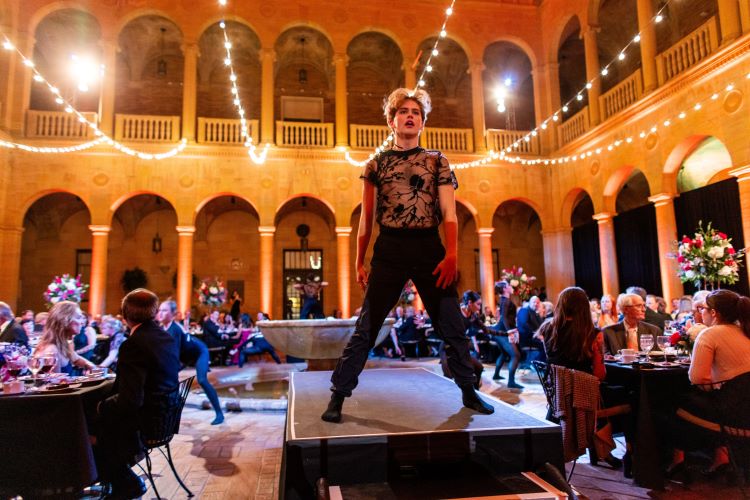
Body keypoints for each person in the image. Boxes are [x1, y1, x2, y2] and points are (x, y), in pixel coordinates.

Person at [321, 88, 493, 423]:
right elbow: (366, 220)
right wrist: (359, 260)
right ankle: (338, 395)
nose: (410, 115)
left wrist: (453, 255)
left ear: (423, 122)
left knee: (451, 323)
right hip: (390, 249)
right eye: (403, 111)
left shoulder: (436, 160)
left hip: (430, 248)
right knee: (366, 327)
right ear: (391, 120)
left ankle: (469, 391)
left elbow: (449, 213)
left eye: (416, 111)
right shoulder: (376, 164)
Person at [93, 289, 180, 499]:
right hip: (165, 416)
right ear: (155, 312)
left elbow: (130, 400)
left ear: (125, 316)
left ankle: (123, 482)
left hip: (146, 422)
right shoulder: (165, 337)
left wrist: (99, 407)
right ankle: (115, 480)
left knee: (86, 423)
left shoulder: (133, 344)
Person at [540, 287, 630, 471]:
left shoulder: (548, 329)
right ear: (584, 307)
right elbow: (599, 374)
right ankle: (625, 454)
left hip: (559, 395)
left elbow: (553, 363)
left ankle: (599, 448)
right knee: (630, 397)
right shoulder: (593, 334)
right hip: (585, 397)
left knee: (601, 391)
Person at [668, 290, 750, 477]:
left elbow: (697, 379)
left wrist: (715, 385)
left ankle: (676, 462)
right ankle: (721, 459)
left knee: (671, 401)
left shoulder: (710, 334)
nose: (700, 312)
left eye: (702, 308)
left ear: (714, 313)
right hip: (745, 410)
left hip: (732, 413)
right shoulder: (745, 330)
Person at [159, 300, 224, 425]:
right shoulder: (163, 329)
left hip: (200, 352)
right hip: (187, 355)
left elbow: (174, 357)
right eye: (160, 310)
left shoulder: (174, 329)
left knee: (202, 380)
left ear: (173, 313)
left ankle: (219, 414)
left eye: (164, 310)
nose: (160, 313)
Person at [33, 301, 96, 375]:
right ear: (64, 321)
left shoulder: (62, 343)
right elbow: (55, 385)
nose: (82, 322)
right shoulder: (52, 350)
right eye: (79, 317)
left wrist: (92, 366)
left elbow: (76, 359)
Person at [489, 280, 522, 388]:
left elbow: (507, 318)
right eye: (508, 285)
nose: (510, 286)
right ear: (504, 289)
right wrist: (510, 332)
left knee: (504, 354)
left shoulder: (504, 300)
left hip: (502, 332)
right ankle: (511, 382)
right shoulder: (506, 301)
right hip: (502, 333)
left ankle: (496, 375)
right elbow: (504, 318)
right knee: (516, 355)